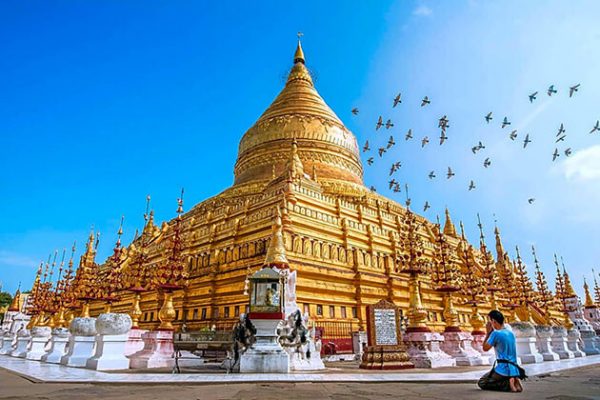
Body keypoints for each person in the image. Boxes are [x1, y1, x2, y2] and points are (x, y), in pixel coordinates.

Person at [478, 310, 524, 393]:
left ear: (494, 321)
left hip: (503, 369)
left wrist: (488, 333)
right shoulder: (510, 333)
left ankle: (507, 384)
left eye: (491, 321)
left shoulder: (496, 334)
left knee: (482, 382)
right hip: (514, 367)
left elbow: (485, 348)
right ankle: (513, 379)